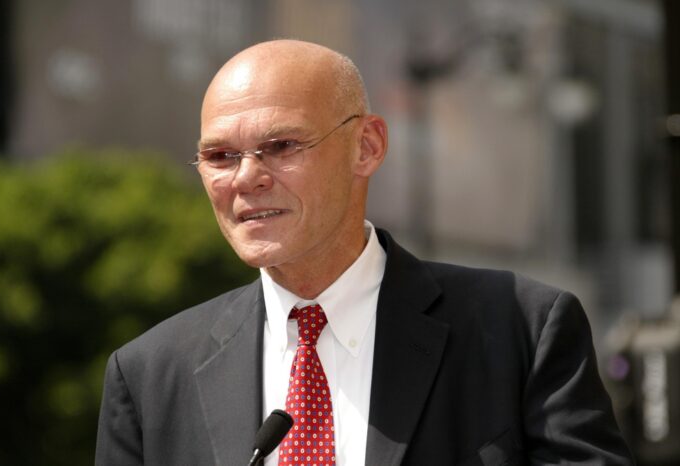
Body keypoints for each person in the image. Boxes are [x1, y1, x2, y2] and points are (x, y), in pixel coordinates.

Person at [95, 40, 634, 466]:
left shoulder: (521, 329)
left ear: (367, 147)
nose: (246, 177)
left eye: (281, 146)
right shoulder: (149, 376)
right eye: (219, 156)